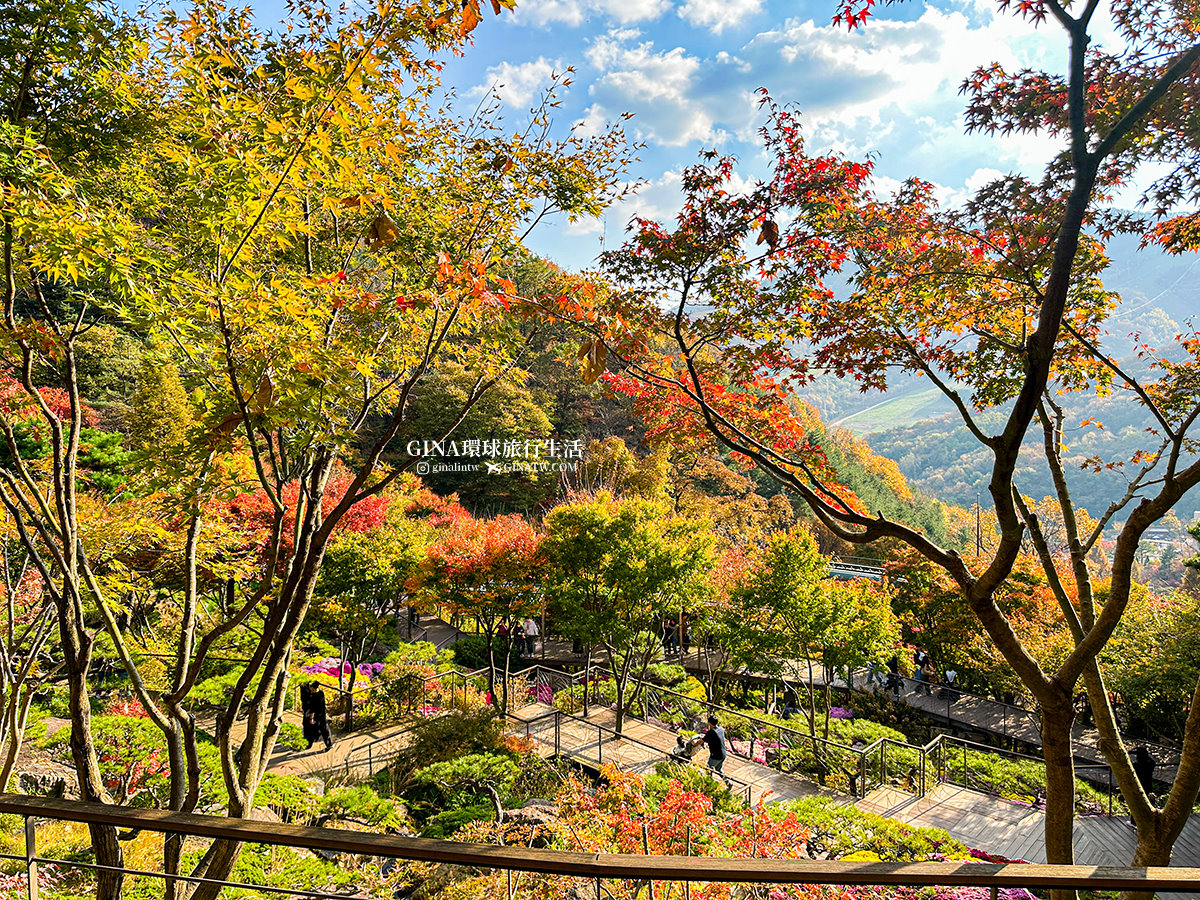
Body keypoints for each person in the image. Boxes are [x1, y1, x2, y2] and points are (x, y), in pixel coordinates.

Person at [702, 714, 731, 786]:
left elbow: (702, 741)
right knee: (718, 769)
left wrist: (694, 744)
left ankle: (708, 785)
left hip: (716, 755)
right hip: (723, 754)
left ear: (709, 723)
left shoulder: (711, 732)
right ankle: (727, 782)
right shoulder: (721, 729)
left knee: (709, 769)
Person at [306, 681, 332, 751]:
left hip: (316, 716)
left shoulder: (314, 697)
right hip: (322, 715)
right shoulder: (321, 693)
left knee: (312, 730)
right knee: (324, 730)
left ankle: (309, 744)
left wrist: (311, 718)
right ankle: (329, 744)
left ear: (313, 688)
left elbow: (313, 709)